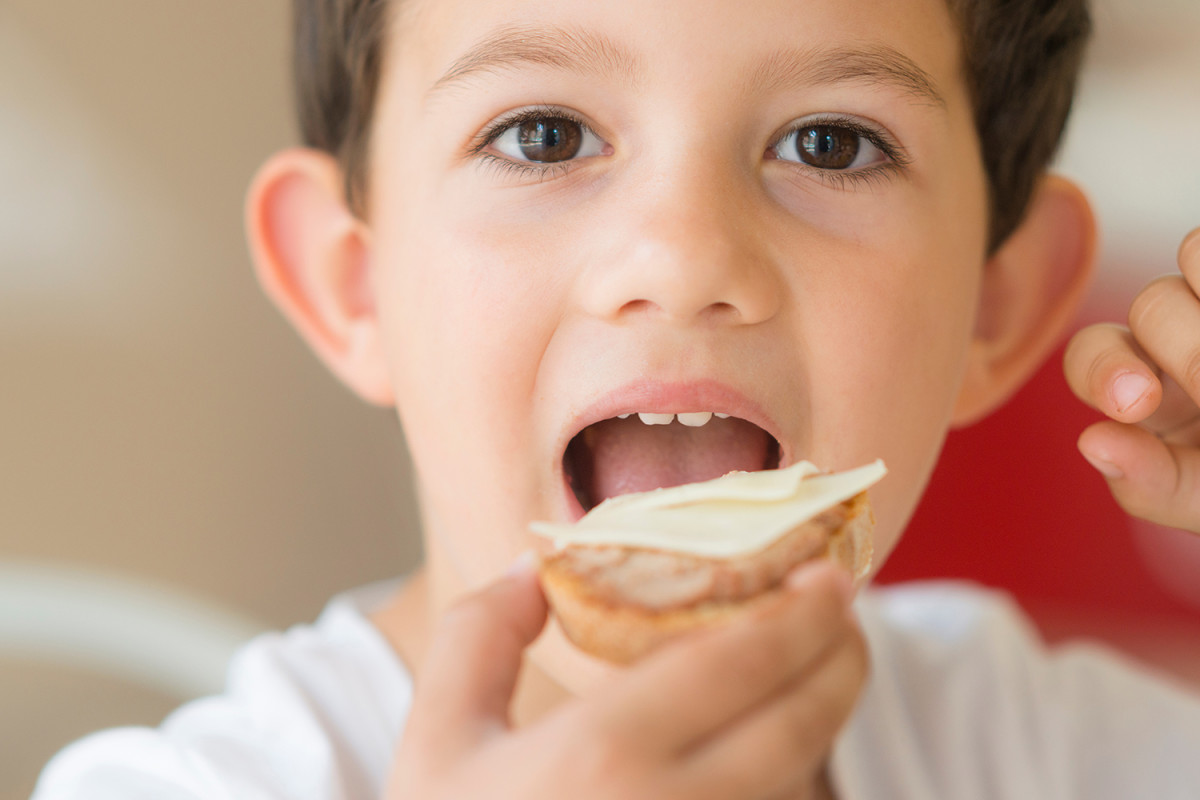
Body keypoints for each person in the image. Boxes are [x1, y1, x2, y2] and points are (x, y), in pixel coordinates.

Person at [33, 0, 1200, 797]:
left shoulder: (1039, 746)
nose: (684, 255)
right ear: (356, 287)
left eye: (832, 143)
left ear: (994, 304)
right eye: (543, 134)